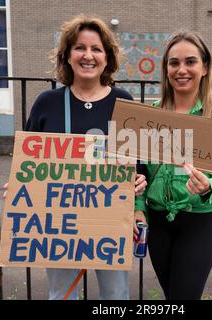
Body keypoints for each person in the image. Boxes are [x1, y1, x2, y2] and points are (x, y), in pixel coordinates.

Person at [15, 15, 146, 300]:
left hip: (112, 222)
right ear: (67, 56)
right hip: (59, 224)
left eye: (96, 49)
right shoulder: (46, 103)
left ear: (107, 57)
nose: (88, 55)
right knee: (62, 295)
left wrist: (138, 187)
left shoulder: (124, 102)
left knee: (116, 296)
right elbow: (28, 161)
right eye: (79, 48)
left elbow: (138, 164)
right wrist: (20, 187)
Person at [134, 31, 212, 300]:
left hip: (199, 222)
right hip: (157, 222)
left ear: (205, 68)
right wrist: (138, 208)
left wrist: (208, 187)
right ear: (166, 68)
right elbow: (138, 173)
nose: (181, 70)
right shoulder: (149, 116)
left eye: (190, 62)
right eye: (174, 63)